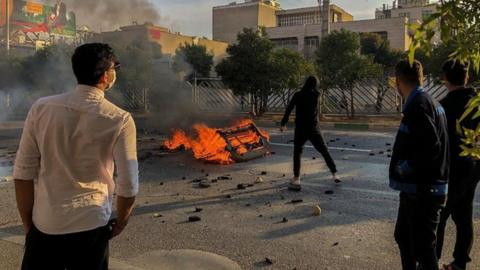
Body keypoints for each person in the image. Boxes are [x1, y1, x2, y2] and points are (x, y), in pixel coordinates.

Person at [14, 43, 139, 270]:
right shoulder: (119, 119)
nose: (116, 73)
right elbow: (128, 186)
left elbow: (22, 173)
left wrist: (29, 227)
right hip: (92, 227)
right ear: (105, 75)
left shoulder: (41, 108)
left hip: (45, 225)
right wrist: (121, 221)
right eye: (115, 67)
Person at [390, 60, 449, 270]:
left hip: (423, 190)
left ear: (398, 81)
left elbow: (430, 146)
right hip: (420, 189)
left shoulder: (418, 105)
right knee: (404, 237)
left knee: (423, 248)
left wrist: (404, 167)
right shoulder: (429, 101)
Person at [435, 60, 480, 270]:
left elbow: (439, 144)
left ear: (445, 78)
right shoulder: (477, 102)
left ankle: (430, 262)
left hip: (452, 170)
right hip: (473, 167)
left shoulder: (443, 107)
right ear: (467, 76)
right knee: (464, 216)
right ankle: (460, 262)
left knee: (439, 216)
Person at [280, 76, 339, 191]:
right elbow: (317, 91)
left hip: (301, 129)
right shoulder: (316, 95)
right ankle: (335, 173)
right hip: (314, 129)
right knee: (324, 151)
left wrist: (283, 123)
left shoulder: (297, 95)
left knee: (297, 152)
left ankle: (296, 179)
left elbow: (289, 109)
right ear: (315, 85)